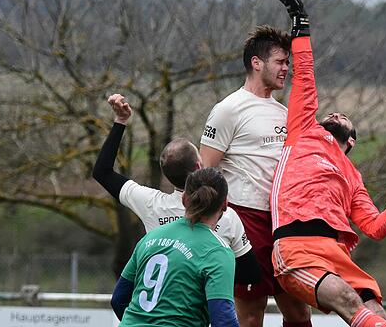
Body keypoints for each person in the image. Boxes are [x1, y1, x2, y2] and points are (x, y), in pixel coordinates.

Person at [269, 0, 386, 327]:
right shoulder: (304, 130)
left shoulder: (351, 176)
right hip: (298, 246)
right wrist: (301, 25)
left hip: (336, 254)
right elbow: (306, 79)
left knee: (377, 311)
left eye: (345, 119)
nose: (336, 114)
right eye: (333, 114)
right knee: (348, 302)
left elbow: (374, 226)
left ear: (351, 142)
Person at [200, 25, 312, 327]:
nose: (286, 68)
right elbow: (204, 172)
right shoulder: (228, 109)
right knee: (250, 316)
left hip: (284, 222)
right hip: (246, 221)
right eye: (280, 61)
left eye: (288, 62)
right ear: (256, 63)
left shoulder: (282, 111)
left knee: (300, 314)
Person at [92, 93, 260, 286]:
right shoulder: (225, 215)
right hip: (201, 310)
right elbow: (250, 274)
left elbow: (102, 172)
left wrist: (120, 120)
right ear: (199, 166)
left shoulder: (151, 204)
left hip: (160, 305)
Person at [110, 167, 240, 327]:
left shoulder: (151, 237)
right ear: (225, 205)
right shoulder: (218, 251)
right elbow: (223, 321)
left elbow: (118, 299)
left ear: (184, 199)